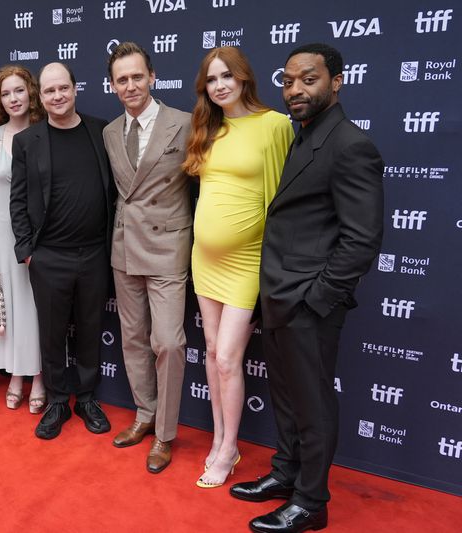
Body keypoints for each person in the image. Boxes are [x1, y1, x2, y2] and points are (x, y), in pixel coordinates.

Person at [230, 43, 383, 533]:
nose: (295, 89)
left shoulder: (350, 144)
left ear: (337, 82)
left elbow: (361, 241)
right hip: (279, 295)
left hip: (307, 304)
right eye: (289, 80)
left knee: (313, 405)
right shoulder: (305, 136)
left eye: (308, 79)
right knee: (287, 398)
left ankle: (311, 502)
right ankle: (287, 474)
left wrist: (315, 300)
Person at [181, 46, 294, 488]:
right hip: (205, 260)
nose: (220, 85)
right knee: (211, 354)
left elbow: (282, 200)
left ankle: (228, 449)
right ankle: (221, 437)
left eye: (227, 75)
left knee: (228, 358)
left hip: (248, 261)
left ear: (245, 77)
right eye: (211, 79)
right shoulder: (209, 126)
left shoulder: (274, 125)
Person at [10, 62, 114, 440]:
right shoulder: (27, 141)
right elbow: (17, 200)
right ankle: (57, 401)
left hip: (94, 254)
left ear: (75, 88)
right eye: (50, 91)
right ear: (41, 95)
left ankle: (86, 398)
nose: (57, 96)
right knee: (51, 334)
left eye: (63, 88)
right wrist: (27, 251)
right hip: (48, 255)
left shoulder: (100, 131)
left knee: (90, 329)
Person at [102, 42, 192, 473]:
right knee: (133, 339)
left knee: (169, 342)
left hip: (168, 247)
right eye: (122, 79)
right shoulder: (108, 132)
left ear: (152, 77)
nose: (131, 85)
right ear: (113, 86)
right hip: (124, 249)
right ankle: (144, 414)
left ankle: (165, 434)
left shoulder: (185, 124)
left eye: (138, 76)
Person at [0, 65, 47, 412]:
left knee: (36, 309)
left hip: (41, 236)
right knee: (11, 310)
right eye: (6, 93)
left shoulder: (46, 132)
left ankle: (40, 376)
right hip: (1, 236)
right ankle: (16, 375)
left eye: (19, 90)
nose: (13, 98)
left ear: (30, 92)